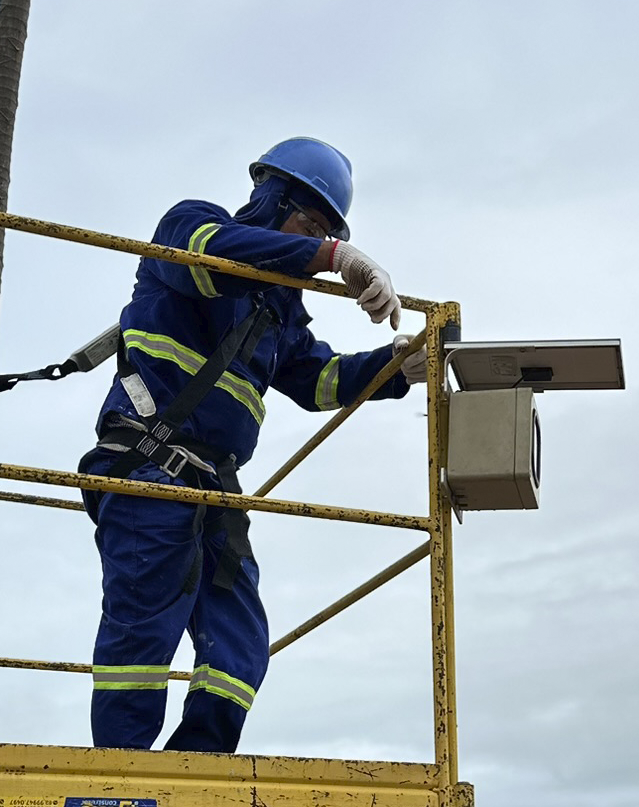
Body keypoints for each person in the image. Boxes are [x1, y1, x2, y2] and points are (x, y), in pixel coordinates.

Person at [79, 137, 425, 753]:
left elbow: (318, 380)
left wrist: (398, 368)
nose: (308, 234)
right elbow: (212, 261)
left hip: (215, 487)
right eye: (305, 219)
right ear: (269, 200)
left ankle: (196, 775)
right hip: (147, 470)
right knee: (143, 635)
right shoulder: (192, 225)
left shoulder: (280, 308)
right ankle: (122, 785)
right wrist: (330, 254)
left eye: (322, 226)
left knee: (238, 645)